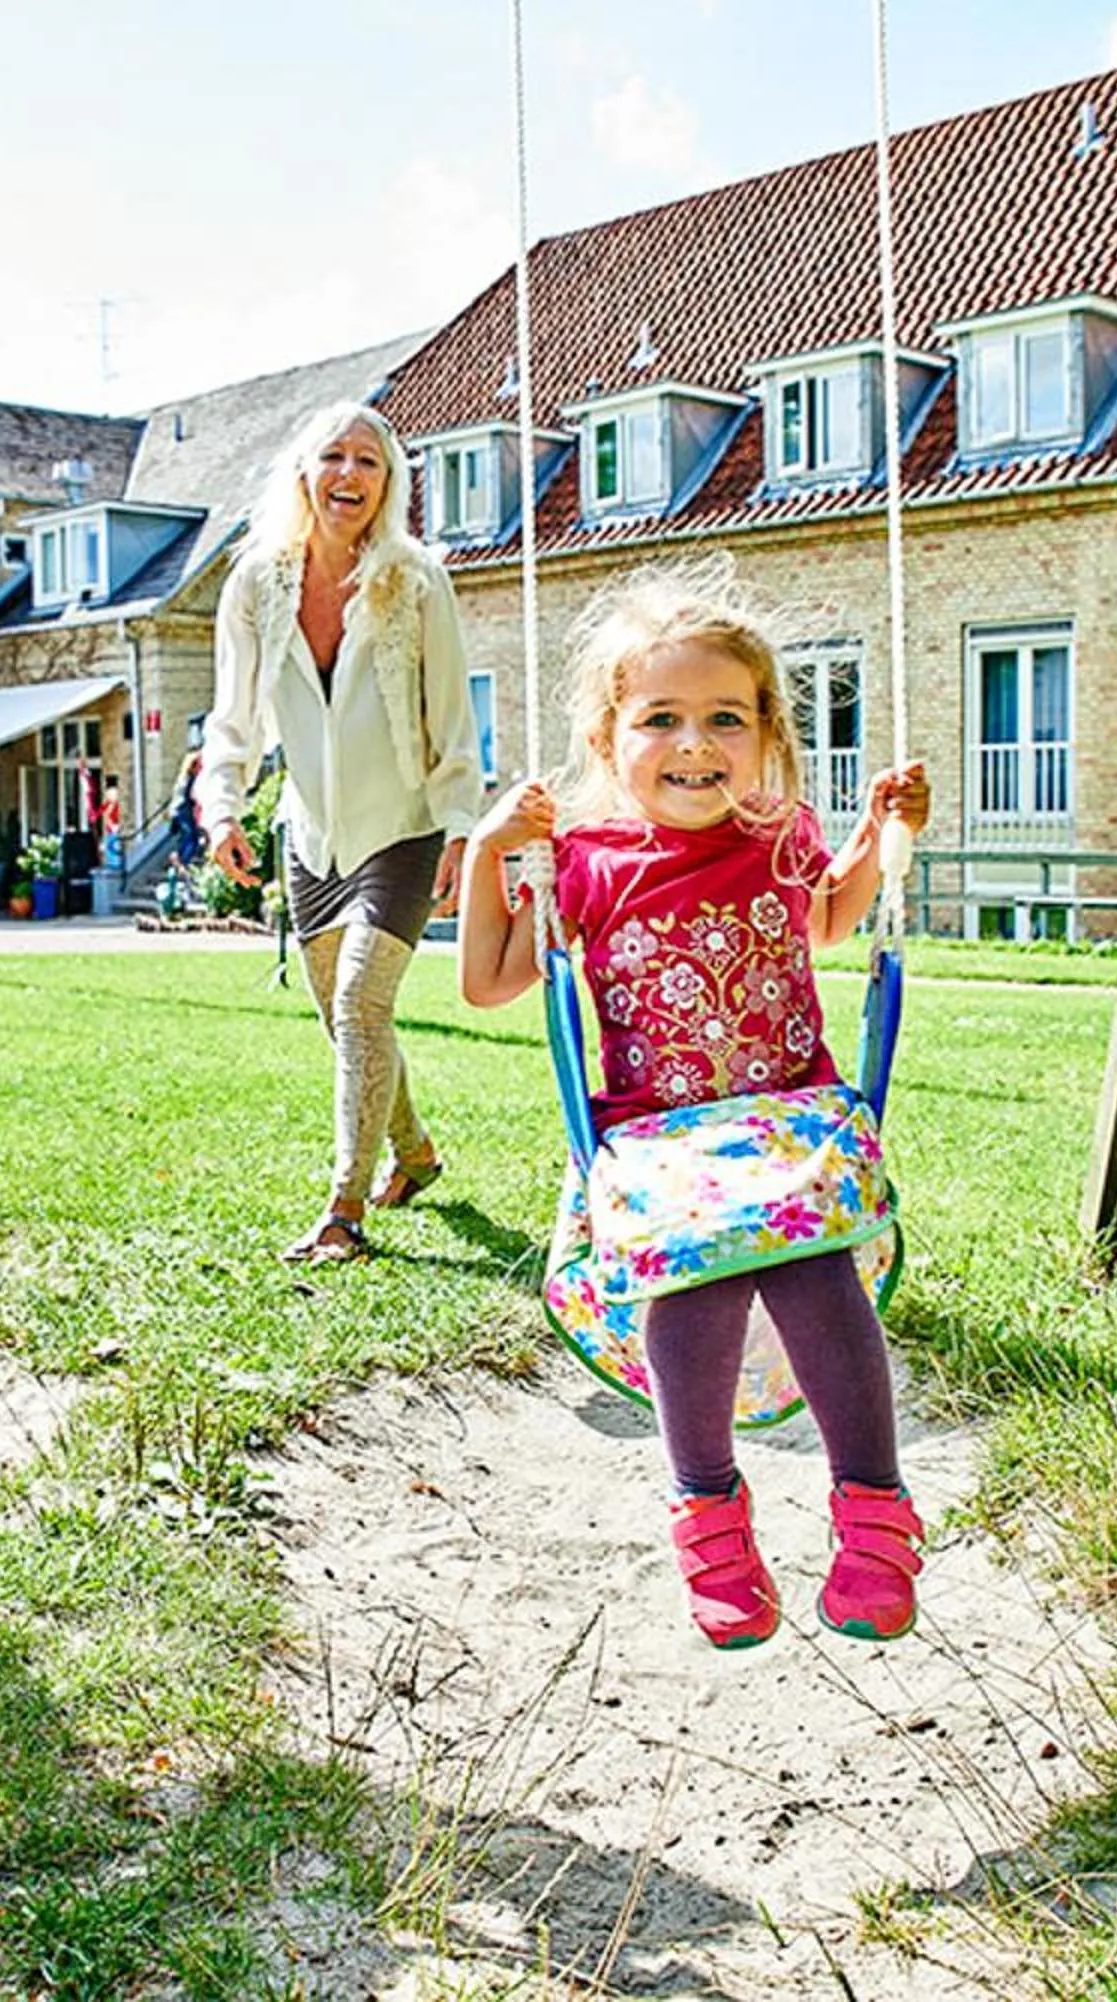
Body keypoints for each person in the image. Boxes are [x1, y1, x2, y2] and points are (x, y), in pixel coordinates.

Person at [454, 563, 932, 1650]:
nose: (694, 743)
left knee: (816, 1270)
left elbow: (830, 919)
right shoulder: (581, 863)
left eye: (725, 717)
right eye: (660, 718)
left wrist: (882, 836)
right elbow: (487, 980)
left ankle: (874, 1514)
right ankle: (711, 1516)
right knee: (695, 1281)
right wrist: (492, 850)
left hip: (790, 1124)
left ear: (766, 733)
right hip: (660, 1151)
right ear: (606, 736)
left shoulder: (778, 834)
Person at [198, 402, 481, 1264]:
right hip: (311, 832)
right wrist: (221, 805)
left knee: (363, 1002)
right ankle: (417, 1153)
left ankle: (343, 1210)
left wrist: (464, 827)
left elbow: (452, 717)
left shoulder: (416, 579)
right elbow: (234, 713)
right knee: (346, 1018)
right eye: (334, 458)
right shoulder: (257, 581)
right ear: (304, 473)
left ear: (387, 484)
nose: (349, 475)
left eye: (369, 461)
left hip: (404, 826)